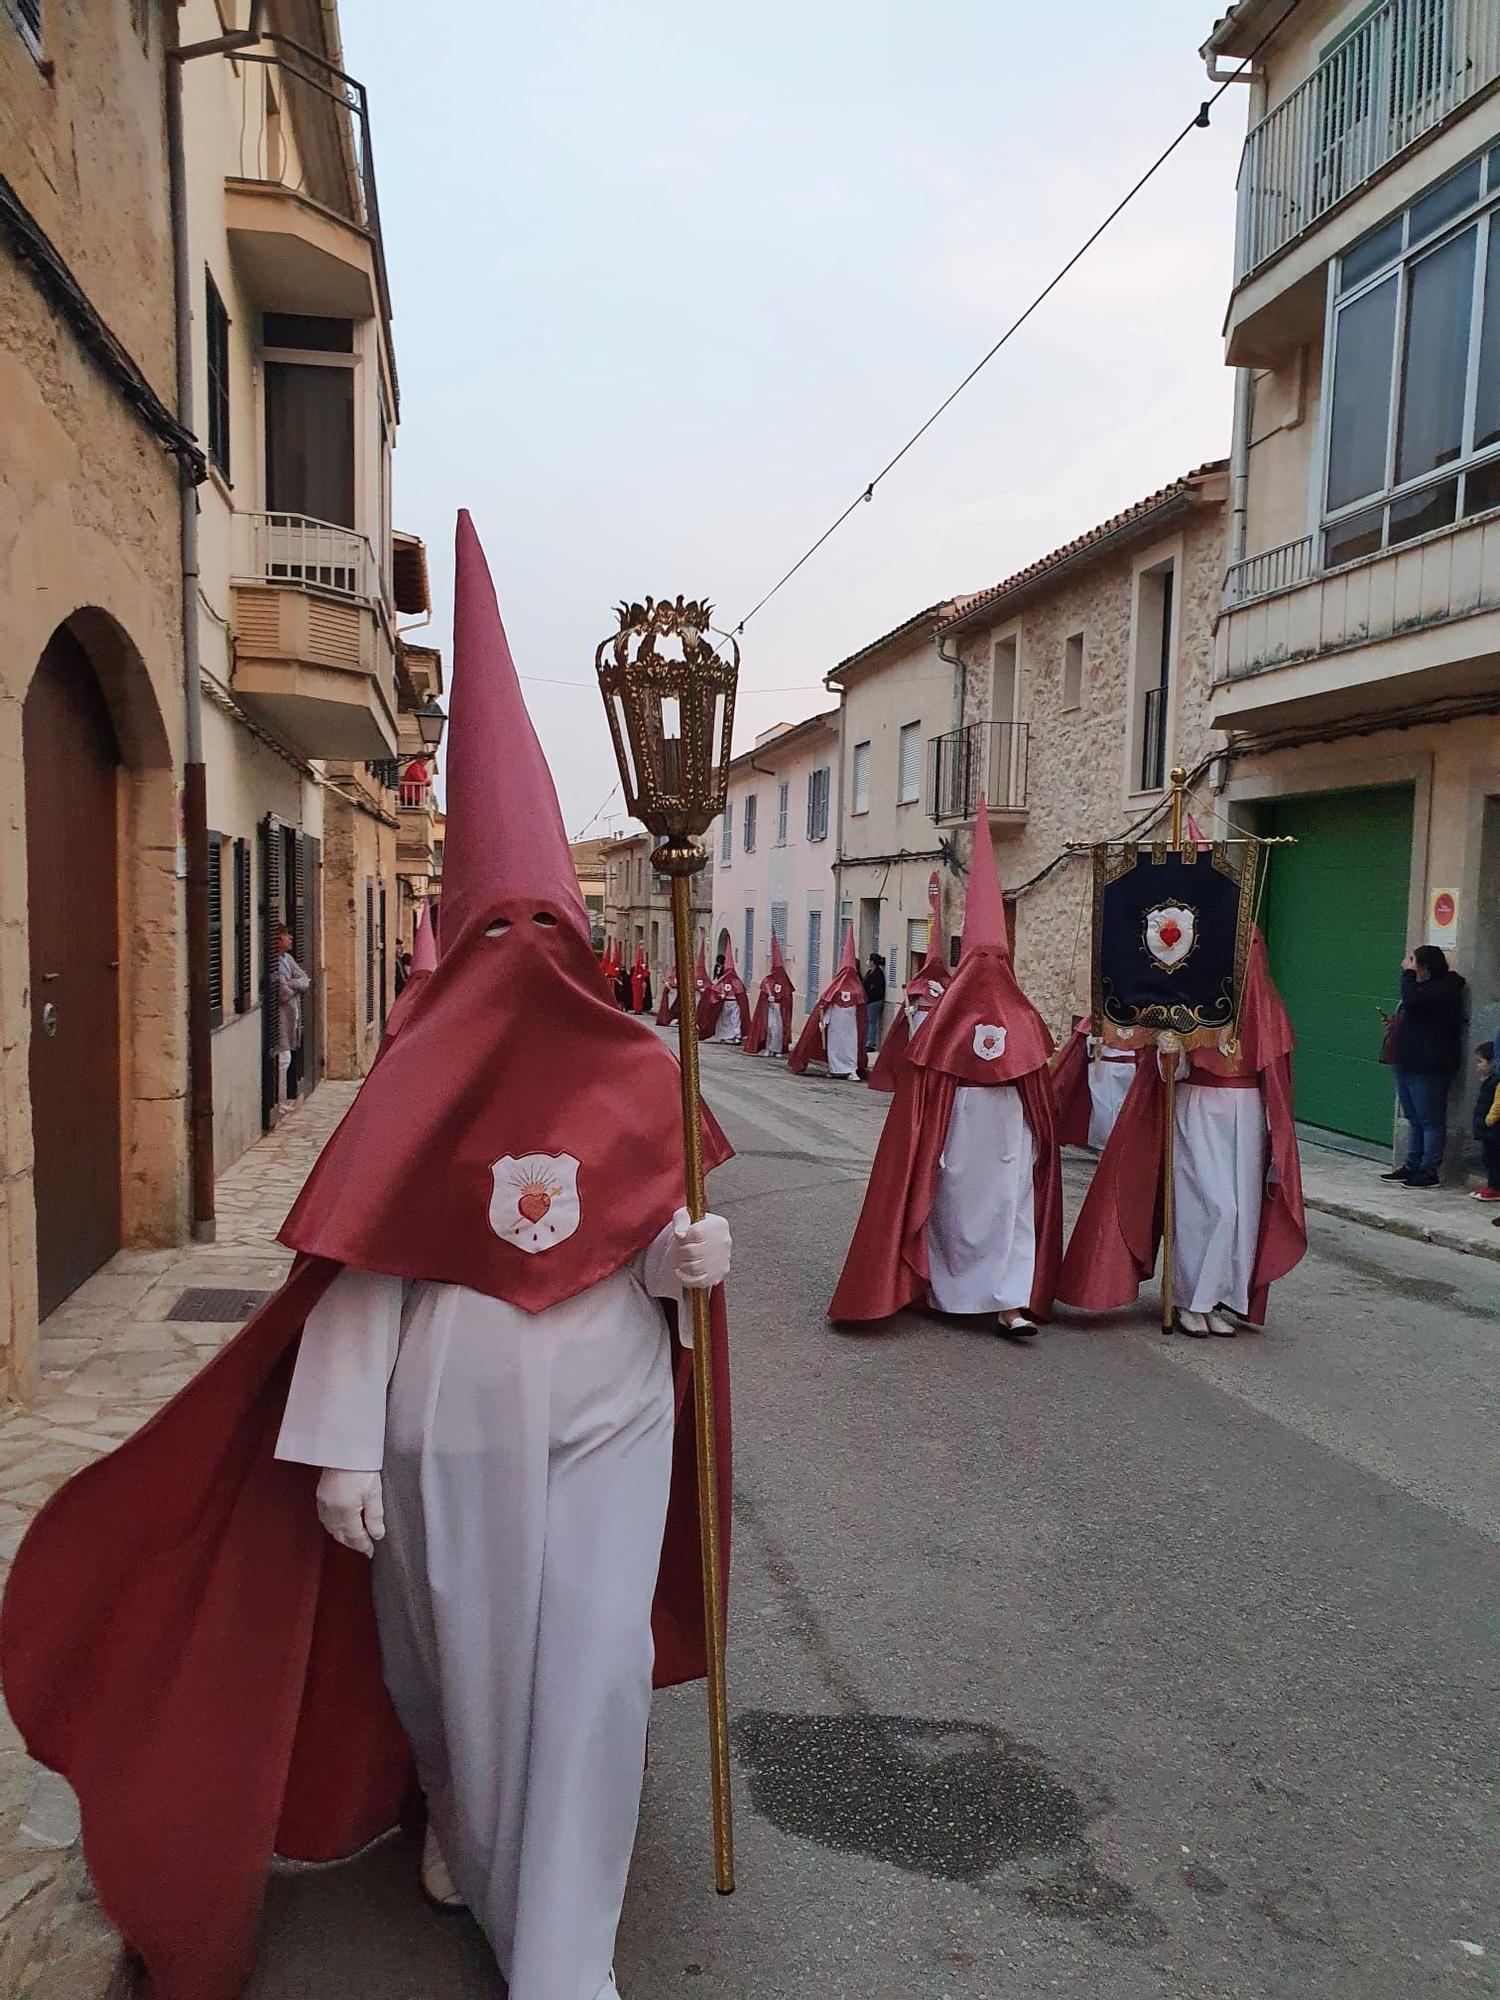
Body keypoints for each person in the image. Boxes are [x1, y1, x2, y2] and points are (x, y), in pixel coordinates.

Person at [0, 512, 736, 2000]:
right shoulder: (417, 1079)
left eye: (552, 917)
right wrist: (337, 1448)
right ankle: (460, 1821)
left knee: (585, 1672)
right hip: (442, 1423)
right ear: (466, 933)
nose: (532, 940)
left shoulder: (635, 1060)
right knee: (463, 1672)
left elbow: (642, 1242)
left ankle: (563, 1955)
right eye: (505, 918)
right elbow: (363, 1264)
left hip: (612, 1411)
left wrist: (683, 1267)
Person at [829, 799, 1062, 1341]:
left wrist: (1039, 1134)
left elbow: (1037, 1085)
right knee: (956, 1205)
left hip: (1009, 1130)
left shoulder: (1023, 1018)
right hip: (960, 1130)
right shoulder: (942, 1027)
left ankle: (1009, 1301)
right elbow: (923, 1097)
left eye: (995, 964)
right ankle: (948, 1289)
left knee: (1012, 1205)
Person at [1057, 930, 1306, 1337]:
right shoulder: (1192, 1002)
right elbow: (1163, 1071)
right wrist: (1169, 1048)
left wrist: (1277, 1139)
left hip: (1246, 1118)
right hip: (1197, 1109)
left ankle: (1217, 1297)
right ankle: (1188, 1297)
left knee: (1241, 1213)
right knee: (1208, 1206)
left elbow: (1277, 1084)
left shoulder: (1270, 1011)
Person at [1381, 944, 1467, 1188]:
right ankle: (1411, 1165)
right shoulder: (1423, 989)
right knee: (1413, 1118)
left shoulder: (1445, 989)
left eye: (1412, 961)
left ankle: (1429, 1171)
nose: (1407, 964)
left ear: (1425, 966)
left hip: (1429, 1065)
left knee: (1430, 1120)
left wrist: (1407, 974)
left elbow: (1414, 1001)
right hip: (1407, 1061)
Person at [867, 933, 950, 1094]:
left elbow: (950, 1006)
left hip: (934, 1021)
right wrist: (911, 1010)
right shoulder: (918, 985)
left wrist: (943, 992)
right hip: (919, 1020)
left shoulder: (946, 985)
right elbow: (913, 1001)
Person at [788, 926, 867, 1079]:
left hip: (850, 1024)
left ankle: (851, 1069)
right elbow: (827, 1005)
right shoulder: (835, 987)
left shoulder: (858, 989)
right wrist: (823, 1020)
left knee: (850, 1046)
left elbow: (861, 1012)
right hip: (836, 1021)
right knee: (835, 1045)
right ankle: (835, 1068)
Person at [1051, 1018, 1140, 1150]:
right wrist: (1095, 1039)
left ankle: (1123, 1148)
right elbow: (1091, 1049)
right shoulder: (1100, 1018)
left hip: (1134, 1069)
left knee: (1130, 1111)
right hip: (1104, 1068)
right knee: (1105, 1111)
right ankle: (1106, 1148)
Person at [272, 924, 311, 1104]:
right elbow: (281, 992)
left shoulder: (287, 959)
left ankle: (280, 1100)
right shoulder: (274, 962)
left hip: (291, 1015)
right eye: (288, 935)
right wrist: (294, 986)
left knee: (286, 1057)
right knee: (283, 1058)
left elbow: (305, 979)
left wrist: (291, 984)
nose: (291, 939)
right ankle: (278, 1100)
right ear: (278, 939)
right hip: (280, 1017)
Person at [743, 933, 795, 1057]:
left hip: (780, 1009)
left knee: (779, 1030)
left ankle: (777, 1050)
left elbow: (788, 996)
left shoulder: (785, 982)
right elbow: (763, 997)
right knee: (770, 1028)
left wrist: (782, 1000)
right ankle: (768, 1048)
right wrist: (768, 998)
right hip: (770, 1009)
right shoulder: (767, 981)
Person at [697, 936, 748, 1043]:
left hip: (734, 1002)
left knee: (735, 1019)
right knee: (723, 1020)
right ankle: (724, 1036)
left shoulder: (736, 981)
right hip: (724, 1002)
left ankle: (736, 1035)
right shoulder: (721, 981)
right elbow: (715, 990)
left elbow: (740, 991)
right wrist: (720, 995)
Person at [1471, 1040, 1500, 1203]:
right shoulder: (1489, 1081)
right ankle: (1492, 1186)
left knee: (1493, 1159)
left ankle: (1495, 1188)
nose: (1477, 1066)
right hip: (1486, 1128)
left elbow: (1498, 1105)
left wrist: (1488, 1121)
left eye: (1480, 1062)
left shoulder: (1496, 1081)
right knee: (1488, 1158)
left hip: (1493, 1129)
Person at [862, 953, 887, 1056]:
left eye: (869, 960)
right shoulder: (869, 972)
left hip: (874, 1001)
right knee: (869, 1022)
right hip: (869, 1001)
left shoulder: (878, 974)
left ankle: (871, 1044)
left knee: (872, 1022)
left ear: (872, 962)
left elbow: (875, 989)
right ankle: (868, 1042)